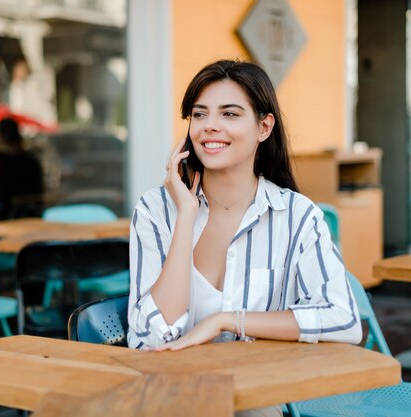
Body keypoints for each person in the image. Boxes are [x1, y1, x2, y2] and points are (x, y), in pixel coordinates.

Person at [127, 60, 361, 416]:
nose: (210, 127)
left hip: (257, 398)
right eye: (199, 114)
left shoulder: (297, 216)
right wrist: (187, 216)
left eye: (230, 114)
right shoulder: (156, 210)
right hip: (170, 395)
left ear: (264, 127)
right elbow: (151, 339)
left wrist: (227, 320)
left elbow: (343, 320)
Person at [0, 117, 44, 219]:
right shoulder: (32, 160)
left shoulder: (0, 159)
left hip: (4, 212)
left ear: (1, 136)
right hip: (27, 211)